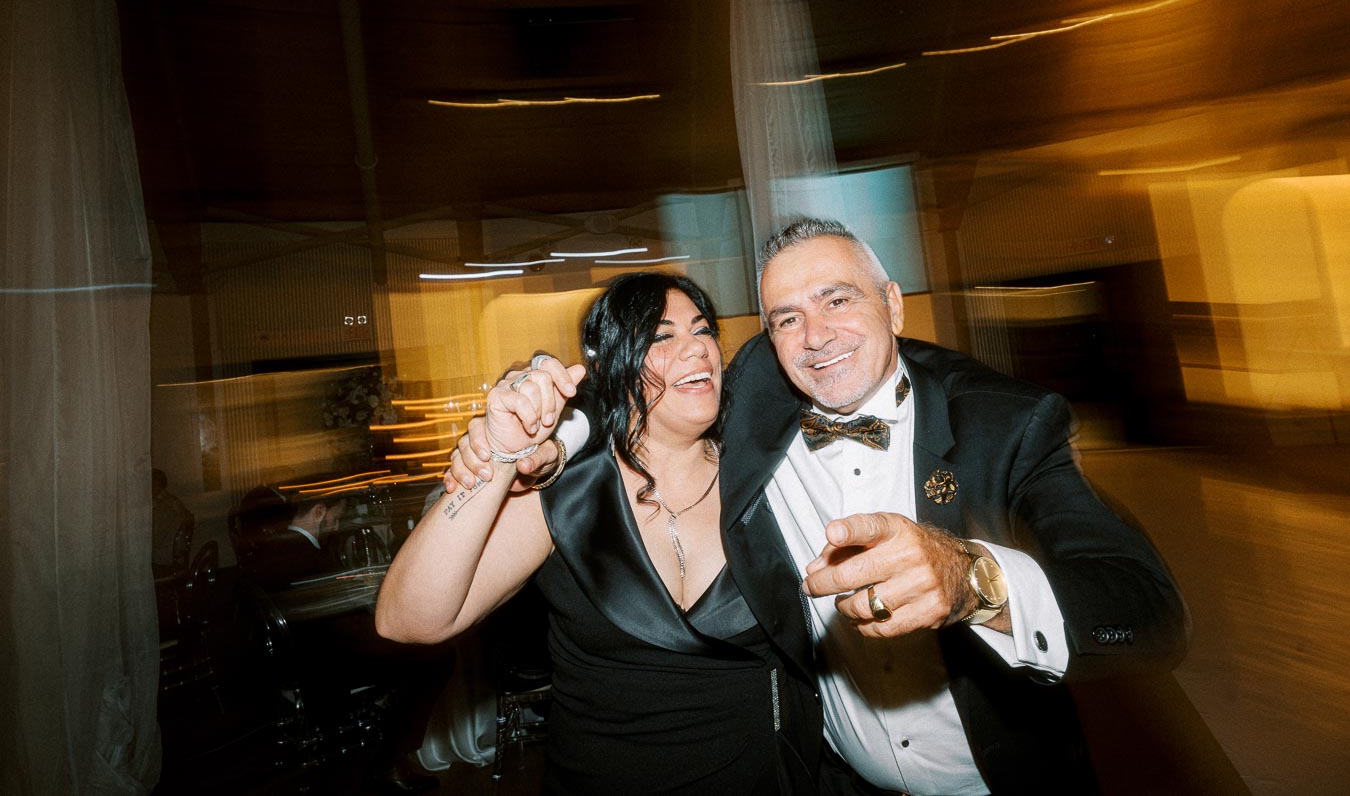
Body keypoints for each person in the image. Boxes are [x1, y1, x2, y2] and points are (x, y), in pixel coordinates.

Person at [450, 219, 1191, 795]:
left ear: (893, 304)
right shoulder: (750, 400)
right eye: (785, 318)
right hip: (830, 783)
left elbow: (1147, 610)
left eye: (839, 299)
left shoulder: (1008, 426)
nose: (815, 337)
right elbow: (635, 398)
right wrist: (546, 438)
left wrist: (976, 579)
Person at [375, 272, 823, 795]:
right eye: (661, 336)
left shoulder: (769, 474)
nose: (697, 349)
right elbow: (408, 620)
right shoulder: (566, 492)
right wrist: (500, 456)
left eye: (702, 331)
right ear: (613, 364)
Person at [244, 490, 448, 794]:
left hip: (297, 656)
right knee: (435, 660)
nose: (336, 527)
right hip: (322, 665)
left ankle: (384, 733)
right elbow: (339, 627)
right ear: (317, 512)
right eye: (335, 517)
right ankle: (390, 761)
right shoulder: (305, 556)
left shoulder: (276, 549)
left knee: (414, 653)